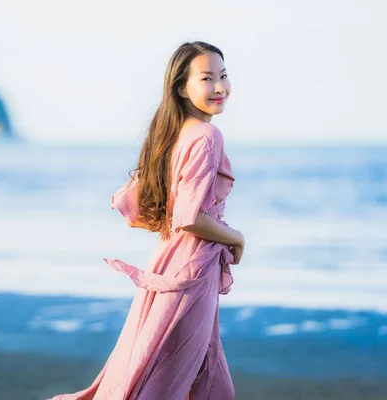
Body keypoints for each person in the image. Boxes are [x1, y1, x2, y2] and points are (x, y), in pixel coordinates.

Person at [49, 41, 244, 400]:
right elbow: (188, 217)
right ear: (182, 88)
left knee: (167, 366)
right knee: (171, 376)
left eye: (224, 75)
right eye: (207, 78)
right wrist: (236, 237)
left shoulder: (174, 133)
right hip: (191, 269)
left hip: (170, 259)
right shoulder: (206, 135)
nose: (220, 87)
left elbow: (150, 210)